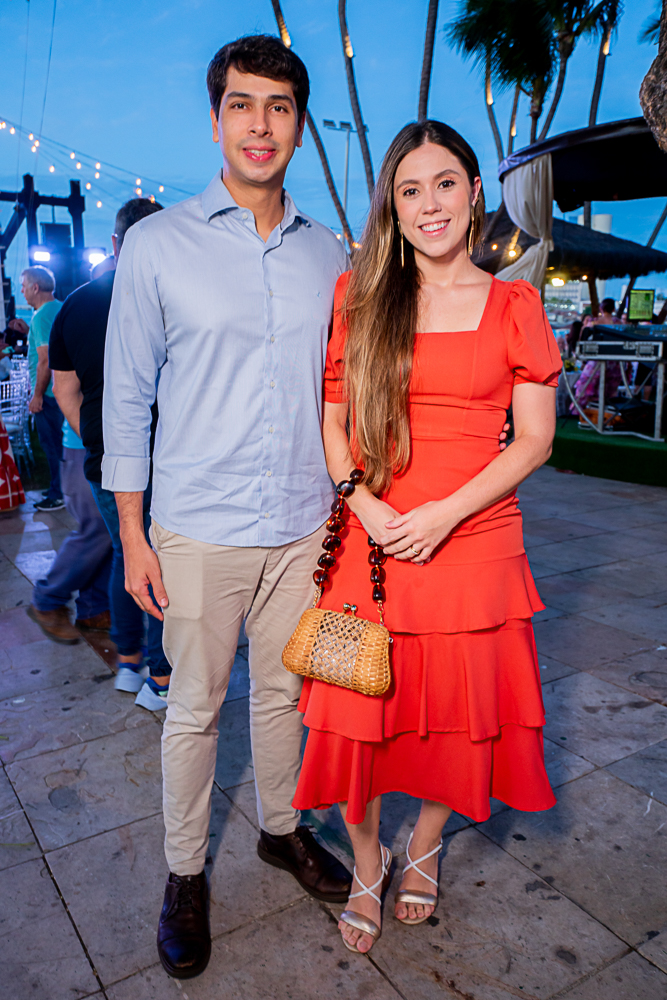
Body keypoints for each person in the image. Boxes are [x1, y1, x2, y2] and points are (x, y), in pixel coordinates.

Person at [101, 35, 354, 980]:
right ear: (215, 121)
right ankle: (183, 875)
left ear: (298, 125)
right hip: (198, 525)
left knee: (288, 692)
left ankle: (281, 829)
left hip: (302, 522)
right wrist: (132, 533)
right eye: (241, 105)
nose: (260, 124)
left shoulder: (327, 251)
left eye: (278, 107)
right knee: (195, 709)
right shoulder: (158, 244)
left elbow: (340, 384)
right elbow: (126, 396)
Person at [292, 121, 561, 956]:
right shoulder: (360, 295)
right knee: (353, 716)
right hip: (369, 543)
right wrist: (363, 502)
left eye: (444, 183)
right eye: (409, 190)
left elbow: (534, 439)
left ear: (474, 193)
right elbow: (333, 420)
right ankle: (368, 858)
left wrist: (445, 515)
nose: (429, 204)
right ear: (393, 207)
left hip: (474, 545)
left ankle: (424, 843)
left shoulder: (514, 304)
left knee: (455, 718)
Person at [49, 198, 172, 711]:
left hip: (104, 457)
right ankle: (162, 677)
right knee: (161, 559)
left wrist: (99, 438)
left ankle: (128, 661)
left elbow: (65, 390)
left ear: (116, 242)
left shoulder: (75, 304)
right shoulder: (169, 295)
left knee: (129, 552)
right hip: (167, 455)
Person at [27, 418, 112, 643]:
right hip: (86, 446)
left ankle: (94, 609)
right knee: (96, 528)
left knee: (109, 532)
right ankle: (47, 599)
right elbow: (65, 398)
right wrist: (94, 438)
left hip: (104, 446)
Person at [20, 266, 64, 511]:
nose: (22, 292)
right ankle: (60, 487)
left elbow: (45, 359)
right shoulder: (61, 308)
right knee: (60, 444)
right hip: (61, 390)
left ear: (35, 288)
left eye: (23, 286)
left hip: (48, 393)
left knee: (52, 445)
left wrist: (37, 395)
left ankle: (59, 494)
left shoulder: (41, 316)